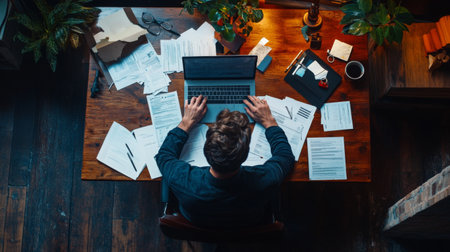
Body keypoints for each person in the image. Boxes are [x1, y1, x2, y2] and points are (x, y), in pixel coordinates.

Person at [155, 95, 295, 228]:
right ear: (245, 156)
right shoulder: (265, 179)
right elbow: (285, 157)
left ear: (206, 151)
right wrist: (270, 122)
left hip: (197, 222)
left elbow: (164, 156)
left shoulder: (182, 179)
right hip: (247, 223)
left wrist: (186, 123)